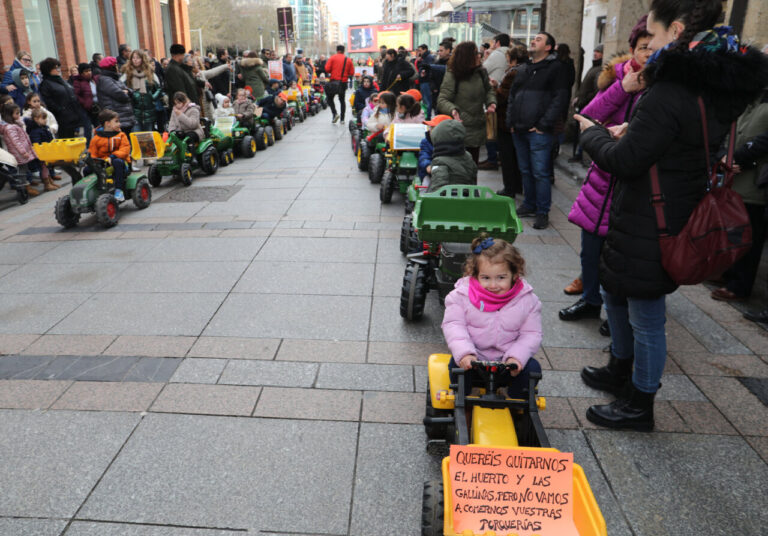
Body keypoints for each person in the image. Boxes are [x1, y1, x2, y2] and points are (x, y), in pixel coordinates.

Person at [573, 0, 768, 431]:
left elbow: (625, 161)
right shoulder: (717, 82)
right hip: (669, 203)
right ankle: (619, 370)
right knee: (617, 292)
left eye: (656, 36)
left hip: (652, 213)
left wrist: (594, 135)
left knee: (644, 313)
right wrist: (635, 131)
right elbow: (679, 140)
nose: (652, 45)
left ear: (676, 30)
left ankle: (640, 402)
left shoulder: (671, 88)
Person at [560, 15, 652, 331]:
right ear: (632, 49)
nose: (648, 54)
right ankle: (590, 300)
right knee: (590, 250)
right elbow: (588, 117)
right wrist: (623, 89)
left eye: (653, 48)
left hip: (632, 185)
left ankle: (616, 313)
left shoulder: (664, 87)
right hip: (601, 179)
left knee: (620, 258)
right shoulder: (618, 79)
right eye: (643, 48)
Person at [442, 234, 542, 399]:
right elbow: (454, 326)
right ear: (475, 275)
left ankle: (513, 398)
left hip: (507, 361)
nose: (493, 285)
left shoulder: (528, 301)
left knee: (533, 369)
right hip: (474, 359)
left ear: (515, 274)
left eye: (501, 278)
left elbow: (531, 334)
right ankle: (464, 398)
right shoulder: (460, 296)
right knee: (456, 366)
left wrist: (516, 358)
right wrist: (465, 353)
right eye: (486, 278)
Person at [709, 89, 768, 306]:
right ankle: (728, 272)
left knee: (749, 235)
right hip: (733, 178)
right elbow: (728, 132)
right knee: (732, 228)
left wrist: (740, 159)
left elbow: (763, 141)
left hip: (754, 181)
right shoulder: (749, 99)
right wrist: (723, 156)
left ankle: (739, 285)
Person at [506, 32, 570, 230]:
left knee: (540, 172)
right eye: (533, 38)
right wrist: (511, 120)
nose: (533, 41)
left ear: (549, 47)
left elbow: (560, 98)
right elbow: (513, 95)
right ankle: (529, 204)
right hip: (519, 128)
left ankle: (542, 211)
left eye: (539, 39)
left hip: (539, 131)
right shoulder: (524, 68)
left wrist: (544, 124)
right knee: (525, 170)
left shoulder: (556, 68)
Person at [437, 41, 496, 164]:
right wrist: (452, 109)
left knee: (472, 168)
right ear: (466, 56)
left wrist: (491, 102)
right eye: (476, 53)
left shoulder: (481, 72)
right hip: (459, 129)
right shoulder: (453, 74)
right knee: (459, 171)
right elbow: (442, 100)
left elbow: (488, 90)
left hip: (477, 127)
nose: (479, 55)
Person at [1, 102, 58, 195]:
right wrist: (23, 151)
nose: (19, 115)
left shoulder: (15, 125)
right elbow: (16, 142)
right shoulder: (10, 128)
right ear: (10, 114)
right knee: (22, 171)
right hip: (19, 153)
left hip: (23, 152)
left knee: (25, 169)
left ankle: (31, 185)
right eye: (17, 113)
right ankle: (25, 187)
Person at [495, 45, 529, 198]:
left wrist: (495, 88)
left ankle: (510, 187)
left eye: (509, 60)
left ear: (514, 59)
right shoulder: (528, 70)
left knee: (508, 156)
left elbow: (502, 97)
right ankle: (517, 186)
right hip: (521, 119)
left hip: (506, 120)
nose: (507, 63)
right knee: (517, 156)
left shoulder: (513, 73)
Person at [479, 34, 512, 171]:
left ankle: (492, 158)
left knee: (491, 128)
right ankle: (500, 157)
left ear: (497, 43)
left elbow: (483, 70)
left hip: (494, 93)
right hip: (507, 96)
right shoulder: (509, 53)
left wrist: (486, 56)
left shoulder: (496, 54)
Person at [570, 44, 604, 163]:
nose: (595, 53)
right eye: (595, 51)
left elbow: (596, 91)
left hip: (587, 106)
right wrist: (578, 97)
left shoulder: (599, 69)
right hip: (582, 104)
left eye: (598, 52)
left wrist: (583, 100)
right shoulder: (593, 68)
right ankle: (578, 154)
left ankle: (581, 154)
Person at [426, 119, 478, 193]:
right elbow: (473, 176)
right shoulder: (468, 156)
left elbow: (438, 189)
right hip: (468, 196)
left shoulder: (439, 161)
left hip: (449, 201)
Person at [90, 109, 130, 201]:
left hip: (121, 162)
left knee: (117, 162)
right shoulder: (96, 138)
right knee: (87, 170)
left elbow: (125, 149)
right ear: (107, 123)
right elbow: (93, 153)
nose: (119, 124)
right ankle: (95, 190)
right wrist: (92, 160)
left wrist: (113, 156)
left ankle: (119, 190)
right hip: (102, 163)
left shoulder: (121, 135)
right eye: (116, 121)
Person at [38, 57, 82, 138]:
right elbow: (48, 101)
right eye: (55, 68)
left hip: (72, 116)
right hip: (62, 119)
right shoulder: (46, 84)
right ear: (48, 70)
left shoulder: (61, 80)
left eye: (58, 67)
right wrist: (60, 109)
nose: (58, 70)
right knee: (65, 141)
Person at [121, 50, 162, 132]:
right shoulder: (127, 74)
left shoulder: (150, 73)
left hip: (149, 111)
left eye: (138, 58)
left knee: (148, 139)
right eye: (133, 58)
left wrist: (152, 97)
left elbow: (158, 88)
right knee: (136, 136)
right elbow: (121, 89)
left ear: (143, 59)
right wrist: (130, 96)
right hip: (134, 111)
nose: (135, 60)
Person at [96, 57, 135, 133]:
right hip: (117, 117)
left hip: (124, 116)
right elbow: (121, 96)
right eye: (116, 65)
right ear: (112, 67)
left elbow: (129, 90)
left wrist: (128, 92)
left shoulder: (115, 78)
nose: (118, 67)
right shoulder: (105, 80)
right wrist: (126, 93)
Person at [324, 45, 355, 123]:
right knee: (342, 100)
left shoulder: (332, 58)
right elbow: (351, 72)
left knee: (329, 98)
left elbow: (327, 69)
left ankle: (334, 113)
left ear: (337, 50)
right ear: (344, 51)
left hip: (334, 82)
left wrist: (334, 70)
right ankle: (342, 119)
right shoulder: (348, 59)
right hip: (343, 82)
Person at [71, 64, 98, 145]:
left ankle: (99, 144)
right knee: (88, 128)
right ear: (81, 73)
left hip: (96, 108)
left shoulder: (94, 80)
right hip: (84, 109)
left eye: (90, 70)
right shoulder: (78, 82)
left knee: (98, 127)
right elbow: (76, 95)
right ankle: (88, 147)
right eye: (86, 71)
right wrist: (84, 103)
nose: (89, 73)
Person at [415, 44, 435, 119]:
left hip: (426, 81)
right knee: (425, 100)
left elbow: (430, 68)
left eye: (420, 50)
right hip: (423, 81)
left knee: (427, 101)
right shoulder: (423, 58)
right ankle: (426, 115)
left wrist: (424, 72)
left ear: (425, 49)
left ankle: (428, 117)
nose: (419, 52)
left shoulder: (429, 57)